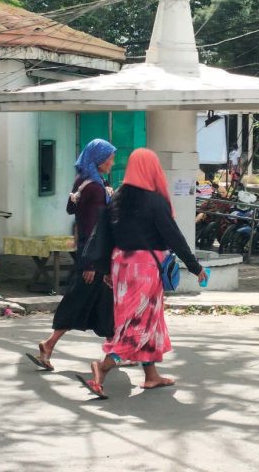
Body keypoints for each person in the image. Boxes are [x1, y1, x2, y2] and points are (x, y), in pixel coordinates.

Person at [77, 148, 207, 399]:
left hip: (120, 266)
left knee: (148, 320)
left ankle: (151, 376)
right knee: (137, 323)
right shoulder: (154, 200)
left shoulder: (117, 198)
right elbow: (174, 236)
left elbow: (103, 235)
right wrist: (195, 266)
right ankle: (102, 367)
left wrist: (104, 269)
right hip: (144, 269)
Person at [27, 138, 116, 371]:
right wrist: (91, 264)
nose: (112, 163)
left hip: (90, 254)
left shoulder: (84, 181)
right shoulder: (96, 188)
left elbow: (71, 209)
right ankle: (49, 344)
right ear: (98, 160)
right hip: (93, 258)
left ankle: (113, 351)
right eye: (109, 158)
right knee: (79, 301)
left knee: (104, 304)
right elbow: (92, 228)